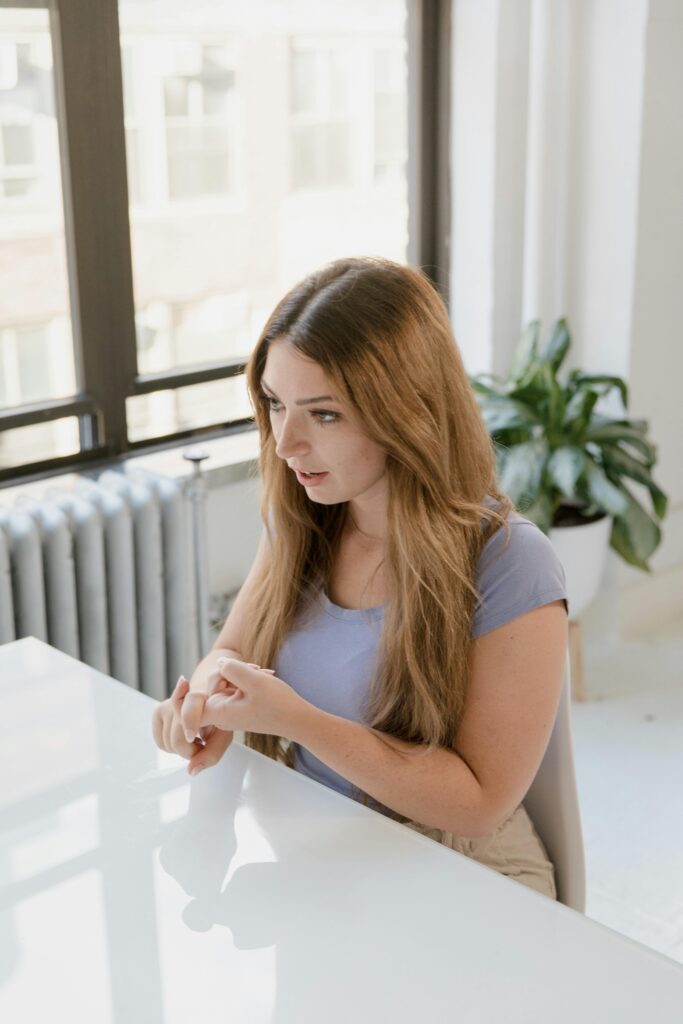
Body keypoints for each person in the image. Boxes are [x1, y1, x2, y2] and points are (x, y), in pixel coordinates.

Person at [151, 256, 568, 900]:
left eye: (323, 414)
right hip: (332, 850)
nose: (285, 442)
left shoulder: (511, 563)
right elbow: (231, 652)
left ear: (409, 412)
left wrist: (297, 721)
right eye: (275, 403)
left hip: (467, 869)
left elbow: (481, 802)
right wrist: (204, 702)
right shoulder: (302, 521)